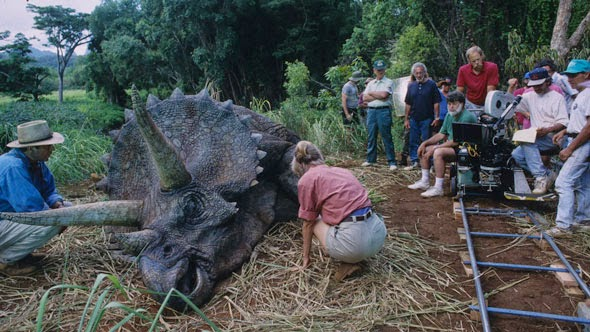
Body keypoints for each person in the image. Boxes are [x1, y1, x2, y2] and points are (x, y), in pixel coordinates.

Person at [292, 140, 386, 280]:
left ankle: (348, 261)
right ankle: (352, 253)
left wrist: (306, 258)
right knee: (336, 215)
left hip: (356, 244)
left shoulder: (306, 180)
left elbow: (308, 223)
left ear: (300, 163)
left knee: (315, 220)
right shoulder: (342, 171)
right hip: (378, 234)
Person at [0, 120, 68, 275]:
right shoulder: (13, 167)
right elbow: (32, 210)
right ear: (32, 148)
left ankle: (20, 254)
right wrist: (61, 217)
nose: (52, 149)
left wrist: (57, 203)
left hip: (8, 219)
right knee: (53, 222)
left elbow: (49, 190)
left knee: (66, 210)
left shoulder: (36, 162)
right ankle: (5, 261)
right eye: (48, 146)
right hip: (3, 220)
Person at [547, 59, 590, 236]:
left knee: (563, 182)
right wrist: (565, 131)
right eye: (568, 75)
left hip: (582, 143)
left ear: (586, 74)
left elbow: (588, 127)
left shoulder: (588, 94)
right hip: (577, 138)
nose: (569, 79)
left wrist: (570, 148)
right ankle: (583, 219)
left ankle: (563, 225)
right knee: (583, 183)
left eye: (574, 75)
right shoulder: (581, 93)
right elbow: (580, 121)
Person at [407, 91, 477, 197]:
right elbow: (441, 134)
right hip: (456, 146)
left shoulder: (467, 117)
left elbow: (456, 141)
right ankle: (425, 181)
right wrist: (425, 143)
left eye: (454, 104)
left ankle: (438, 188)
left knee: (438, 152)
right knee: (424, 149)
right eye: (449, 104)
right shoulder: (449, 115)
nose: (451, 106)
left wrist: (435, 147)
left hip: (468, 149)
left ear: (462, 104)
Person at [511, 67, 568, 194]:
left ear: (547, 82)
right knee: (517, 155)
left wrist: (548, 130)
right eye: (534, 85)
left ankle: (540, 178)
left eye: (539, 85)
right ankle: (548, 174)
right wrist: (511, 89)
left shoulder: (557, 98)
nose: (536, 88)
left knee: (527, 140)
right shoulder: (529, 96)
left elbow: (564, 122)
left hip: (553, 138)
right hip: (536, 136)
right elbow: (511, 104)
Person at [402, 63, 441, 170]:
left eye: (420, 73)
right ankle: (415, 162)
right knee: (413, 140)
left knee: (427, 140)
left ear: (424, 72)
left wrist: (436, 117)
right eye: (416, 73)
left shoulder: (431, 84)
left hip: (427, 118)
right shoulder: (411, 85)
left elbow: (436, 102)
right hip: (414, 118)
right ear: (414, 74)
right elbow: (408, 103)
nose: (419, 75)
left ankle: (430, 163)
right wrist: (406, 119)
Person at [361, 60, 398, 170]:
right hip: (371, 111)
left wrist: (372, 93)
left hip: (384, 111)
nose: (380, 71)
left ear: (384, 70)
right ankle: (370, 159)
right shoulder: (371, 83)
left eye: (381, 69)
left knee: (386, 136)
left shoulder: (389, 82)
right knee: (371, 135)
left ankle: (392, 161)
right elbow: (364, 97)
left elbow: (385, 95)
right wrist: (378, 95)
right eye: (378, 70)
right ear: (374, 70)